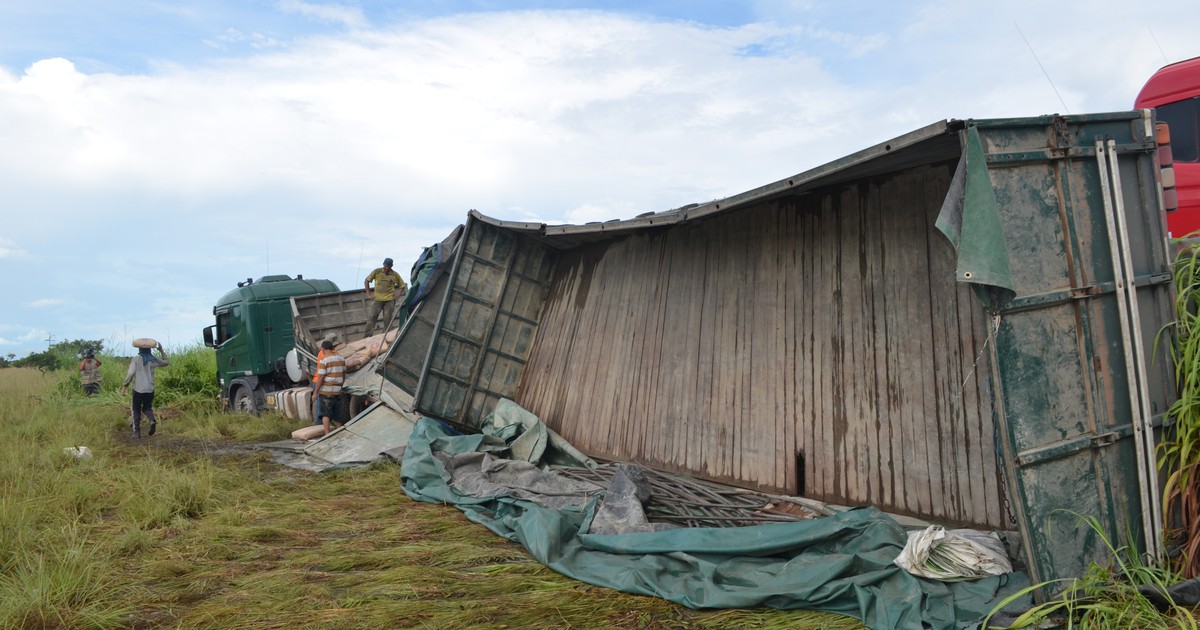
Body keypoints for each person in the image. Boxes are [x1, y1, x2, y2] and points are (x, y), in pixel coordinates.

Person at [121, 342, 170, 438]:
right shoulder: (153, 360)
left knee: (136, 410)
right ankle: (151, 420)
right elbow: (166, 362)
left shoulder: (136, 359)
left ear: (140, 350)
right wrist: (161, 350)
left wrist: (125, 386)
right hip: (150, 389)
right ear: (149, 350)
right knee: (147, 408)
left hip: (138, 389)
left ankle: (137, 433)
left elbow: (130, 373)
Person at [312, 339, 347, 436]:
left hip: (327, 391)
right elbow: (344, 373)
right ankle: (338, 433)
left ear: (323, 349)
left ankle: (327, 434)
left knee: (325, 413)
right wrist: (341, 385)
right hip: (338, 390)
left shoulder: (324, 360)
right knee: (338, 413)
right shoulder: (341, 358)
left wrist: (315, 393)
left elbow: (321, 377)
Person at [363, 257, 407, 333]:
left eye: (389, 266)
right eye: (385, 266)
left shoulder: (395, 275)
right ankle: (366, 337)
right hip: (377, 300)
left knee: (388, 319)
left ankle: (386, 336)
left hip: (389, 301)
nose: (387, 268)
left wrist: (397, 295)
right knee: (372, 318)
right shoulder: (377, 272)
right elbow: (367, 281)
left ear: (391, 266)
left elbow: (402, 286)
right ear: (383, 265)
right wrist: (369, 294)